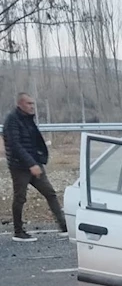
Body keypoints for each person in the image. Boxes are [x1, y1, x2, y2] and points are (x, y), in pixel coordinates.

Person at [4, 93, 68, 242]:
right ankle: (18, 232)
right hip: (19, 166)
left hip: (35, 165)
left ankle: (63, 226)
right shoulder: (12, 120)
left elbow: (34, 141)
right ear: (20, 104)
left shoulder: (28, 119)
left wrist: (39, 159)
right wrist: (30, 164)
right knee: (20, 198)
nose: (32, 106)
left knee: (50, 193)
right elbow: (15, 145)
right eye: (29, 104)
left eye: (33, 104)